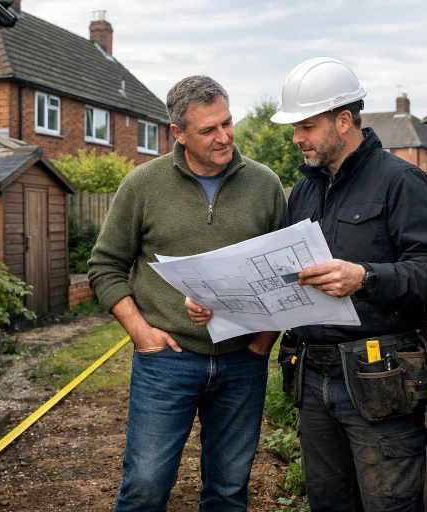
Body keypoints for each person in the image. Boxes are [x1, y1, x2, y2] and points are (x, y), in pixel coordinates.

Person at [189, 58, 427, 512]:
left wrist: (365, 277)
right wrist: (222, 303)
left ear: (344, 120)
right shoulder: (305, 190)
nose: (296, 139)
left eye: (306, 126)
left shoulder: (401, 180)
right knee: (329, 504)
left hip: (379, 377)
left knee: (388, 505)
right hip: (313, 378)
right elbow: (281, 280)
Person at [87, 75, 287, 512]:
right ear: (178, 133)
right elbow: (104, 266)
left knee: (229, 492)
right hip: (168, 362)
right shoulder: (143, 185)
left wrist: (262, 344)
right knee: (144, 487)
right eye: (208, 129)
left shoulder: (265, 184)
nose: (224, 137)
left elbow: (283, 273)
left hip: (242, 362)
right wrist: (141, 333)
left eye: (227, 123)